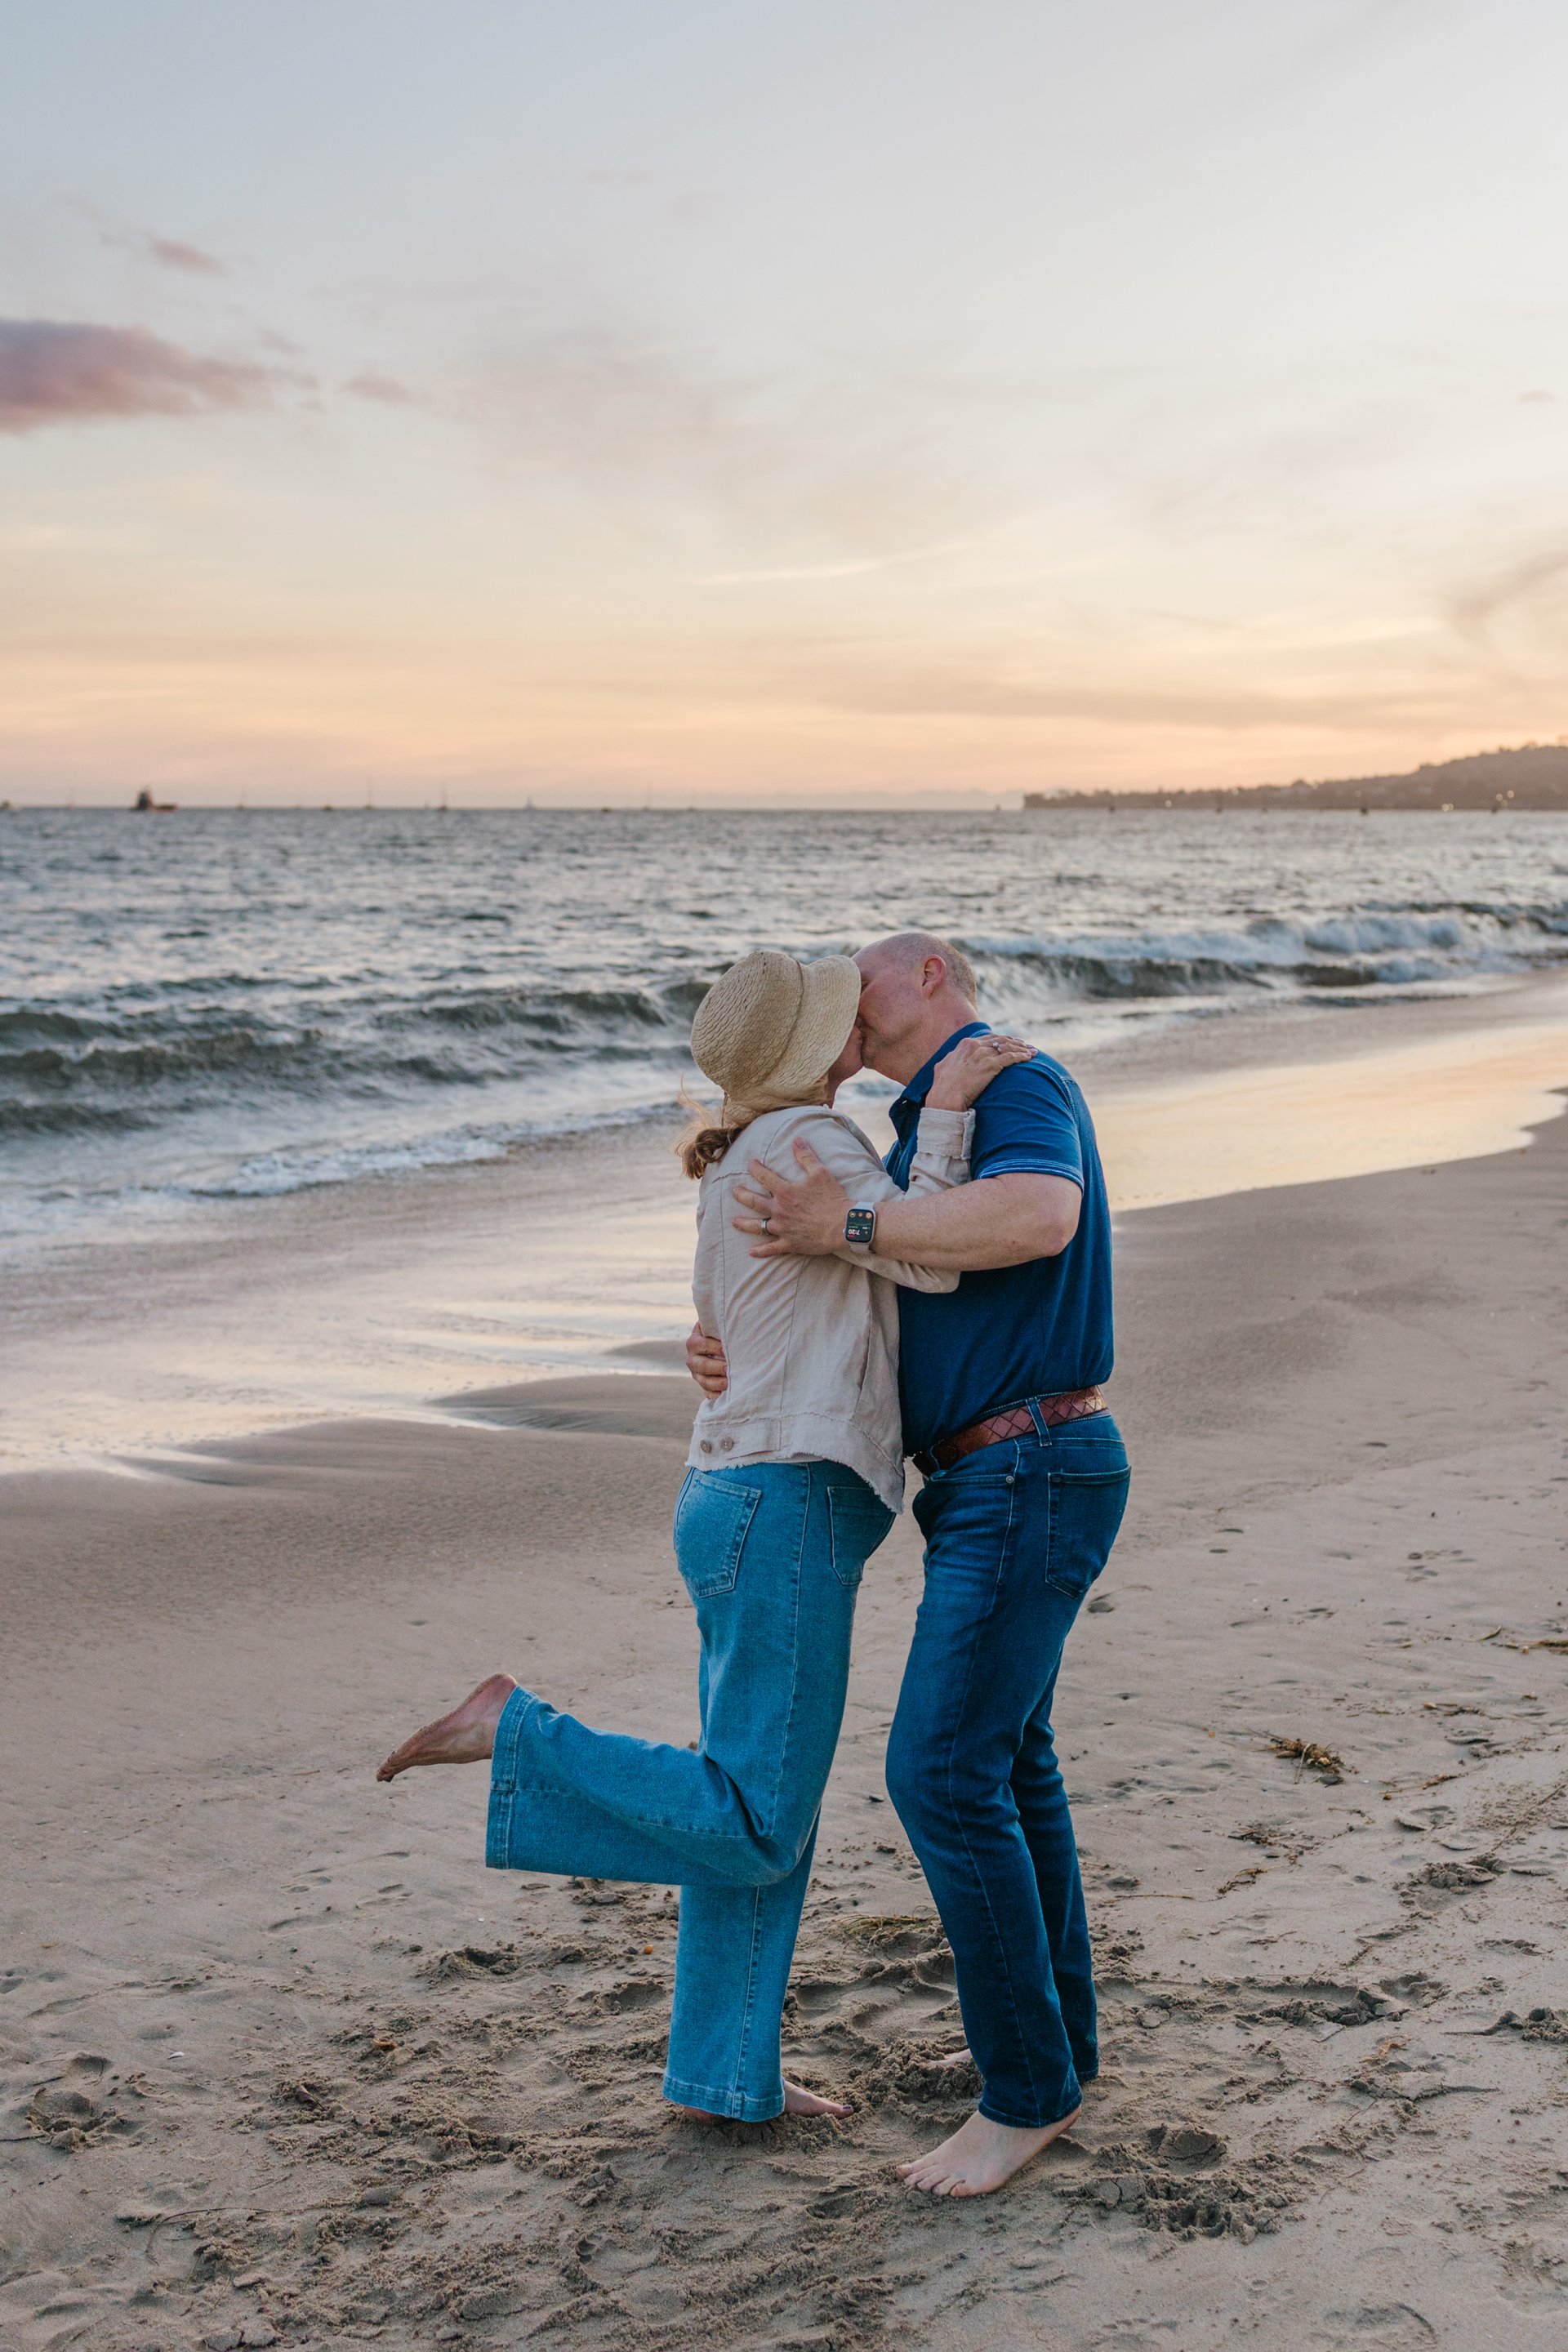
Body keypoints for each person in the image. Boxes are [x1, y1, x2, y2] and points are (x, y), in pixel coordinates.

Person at [376, 947, 1031, 2126]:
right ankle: (519, 1733)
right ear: (813, 1053)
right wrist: (943, 1112)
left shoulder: (739, 1154)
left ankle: (723, 2077)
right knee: (759, 1819)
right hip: (786, 1502)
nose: (858, 1017)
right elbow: (925, 1258)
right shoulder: (816, 1142)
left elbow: (742, 1320)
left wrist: (713, 1345)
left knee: (756, 1803)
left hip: (736, 1498)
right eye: (837, 1014)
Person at [688, 930, 1128, 2196]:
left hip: (1030, 1463)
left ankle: (1026, 2094)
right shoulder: (918, 1126)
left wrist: (851, 1215)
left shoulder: (1012, 1078)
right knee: (1008, 1766)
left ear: (929, 974)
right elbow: (857, 1284)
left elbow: (1039, 1215)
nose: (850, 1000)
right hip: (994, 1474)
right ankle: (1051, 2051)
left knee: (938, 1774)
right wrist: (719, 1341)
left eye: (865, 976)